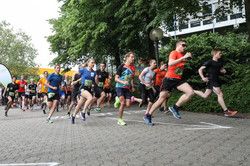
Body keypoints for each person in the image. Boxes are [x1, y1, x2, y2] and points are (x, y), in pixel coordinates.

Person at [145, 40, 194, 125]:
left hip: (178, 79)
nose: (185, 47)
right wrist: (183, 57)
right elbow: (170, 63)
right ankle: (148, 115)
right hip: (169, 79)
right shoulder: (174, 53)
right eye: (183, 45)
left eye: (186, 46)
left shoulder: (182, 55)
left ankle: (175, 107)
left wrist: (186, 57)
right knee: (161, 99)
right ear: (178, 45)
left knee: (190, 92)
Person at [194, 49, 238, 116]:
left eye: (221, 53)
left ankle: (191, 91)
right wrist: (203, 78)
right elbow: (200, 69)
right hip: (212, 80)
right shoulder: (209, 62)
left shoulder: (220, 62)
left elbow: (221, 69)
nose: (221, 54)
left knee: (205, 96)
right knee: (220, 94)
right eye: (219, 53)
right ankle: (226, 111)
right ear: (215, 54)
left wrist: (223, 71)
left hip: (216, 80)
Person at [71, 59, 97, 124]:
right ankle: (83, 112)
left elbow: (96, 82)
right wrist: (73, 81)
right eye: (92, 63)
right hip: (82, 88)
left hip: (88, 89)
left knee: (79, 104)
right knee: (90, 98)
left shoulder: (94, 73)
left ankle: (73, 116)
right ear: (88, 63)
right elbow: (74, 73)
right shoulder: (83, 70)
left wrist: (96, 80)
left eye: (94, 63)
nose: (93, 64)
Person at [114, 52, 135, 126]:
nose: (133, 58)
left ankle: (117, 99)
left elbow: (132, 78)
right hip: (119, 86)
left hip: (127, 88)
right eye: (132, 57)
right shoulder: (121, 66)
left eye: (133, 57)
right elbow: (116, 79)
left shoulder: (133, 67)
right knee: (122, 103)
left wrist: (133, 86)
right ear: (127, 58)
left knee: (128, 105)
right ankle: (120, 119)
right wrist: (123, 82)